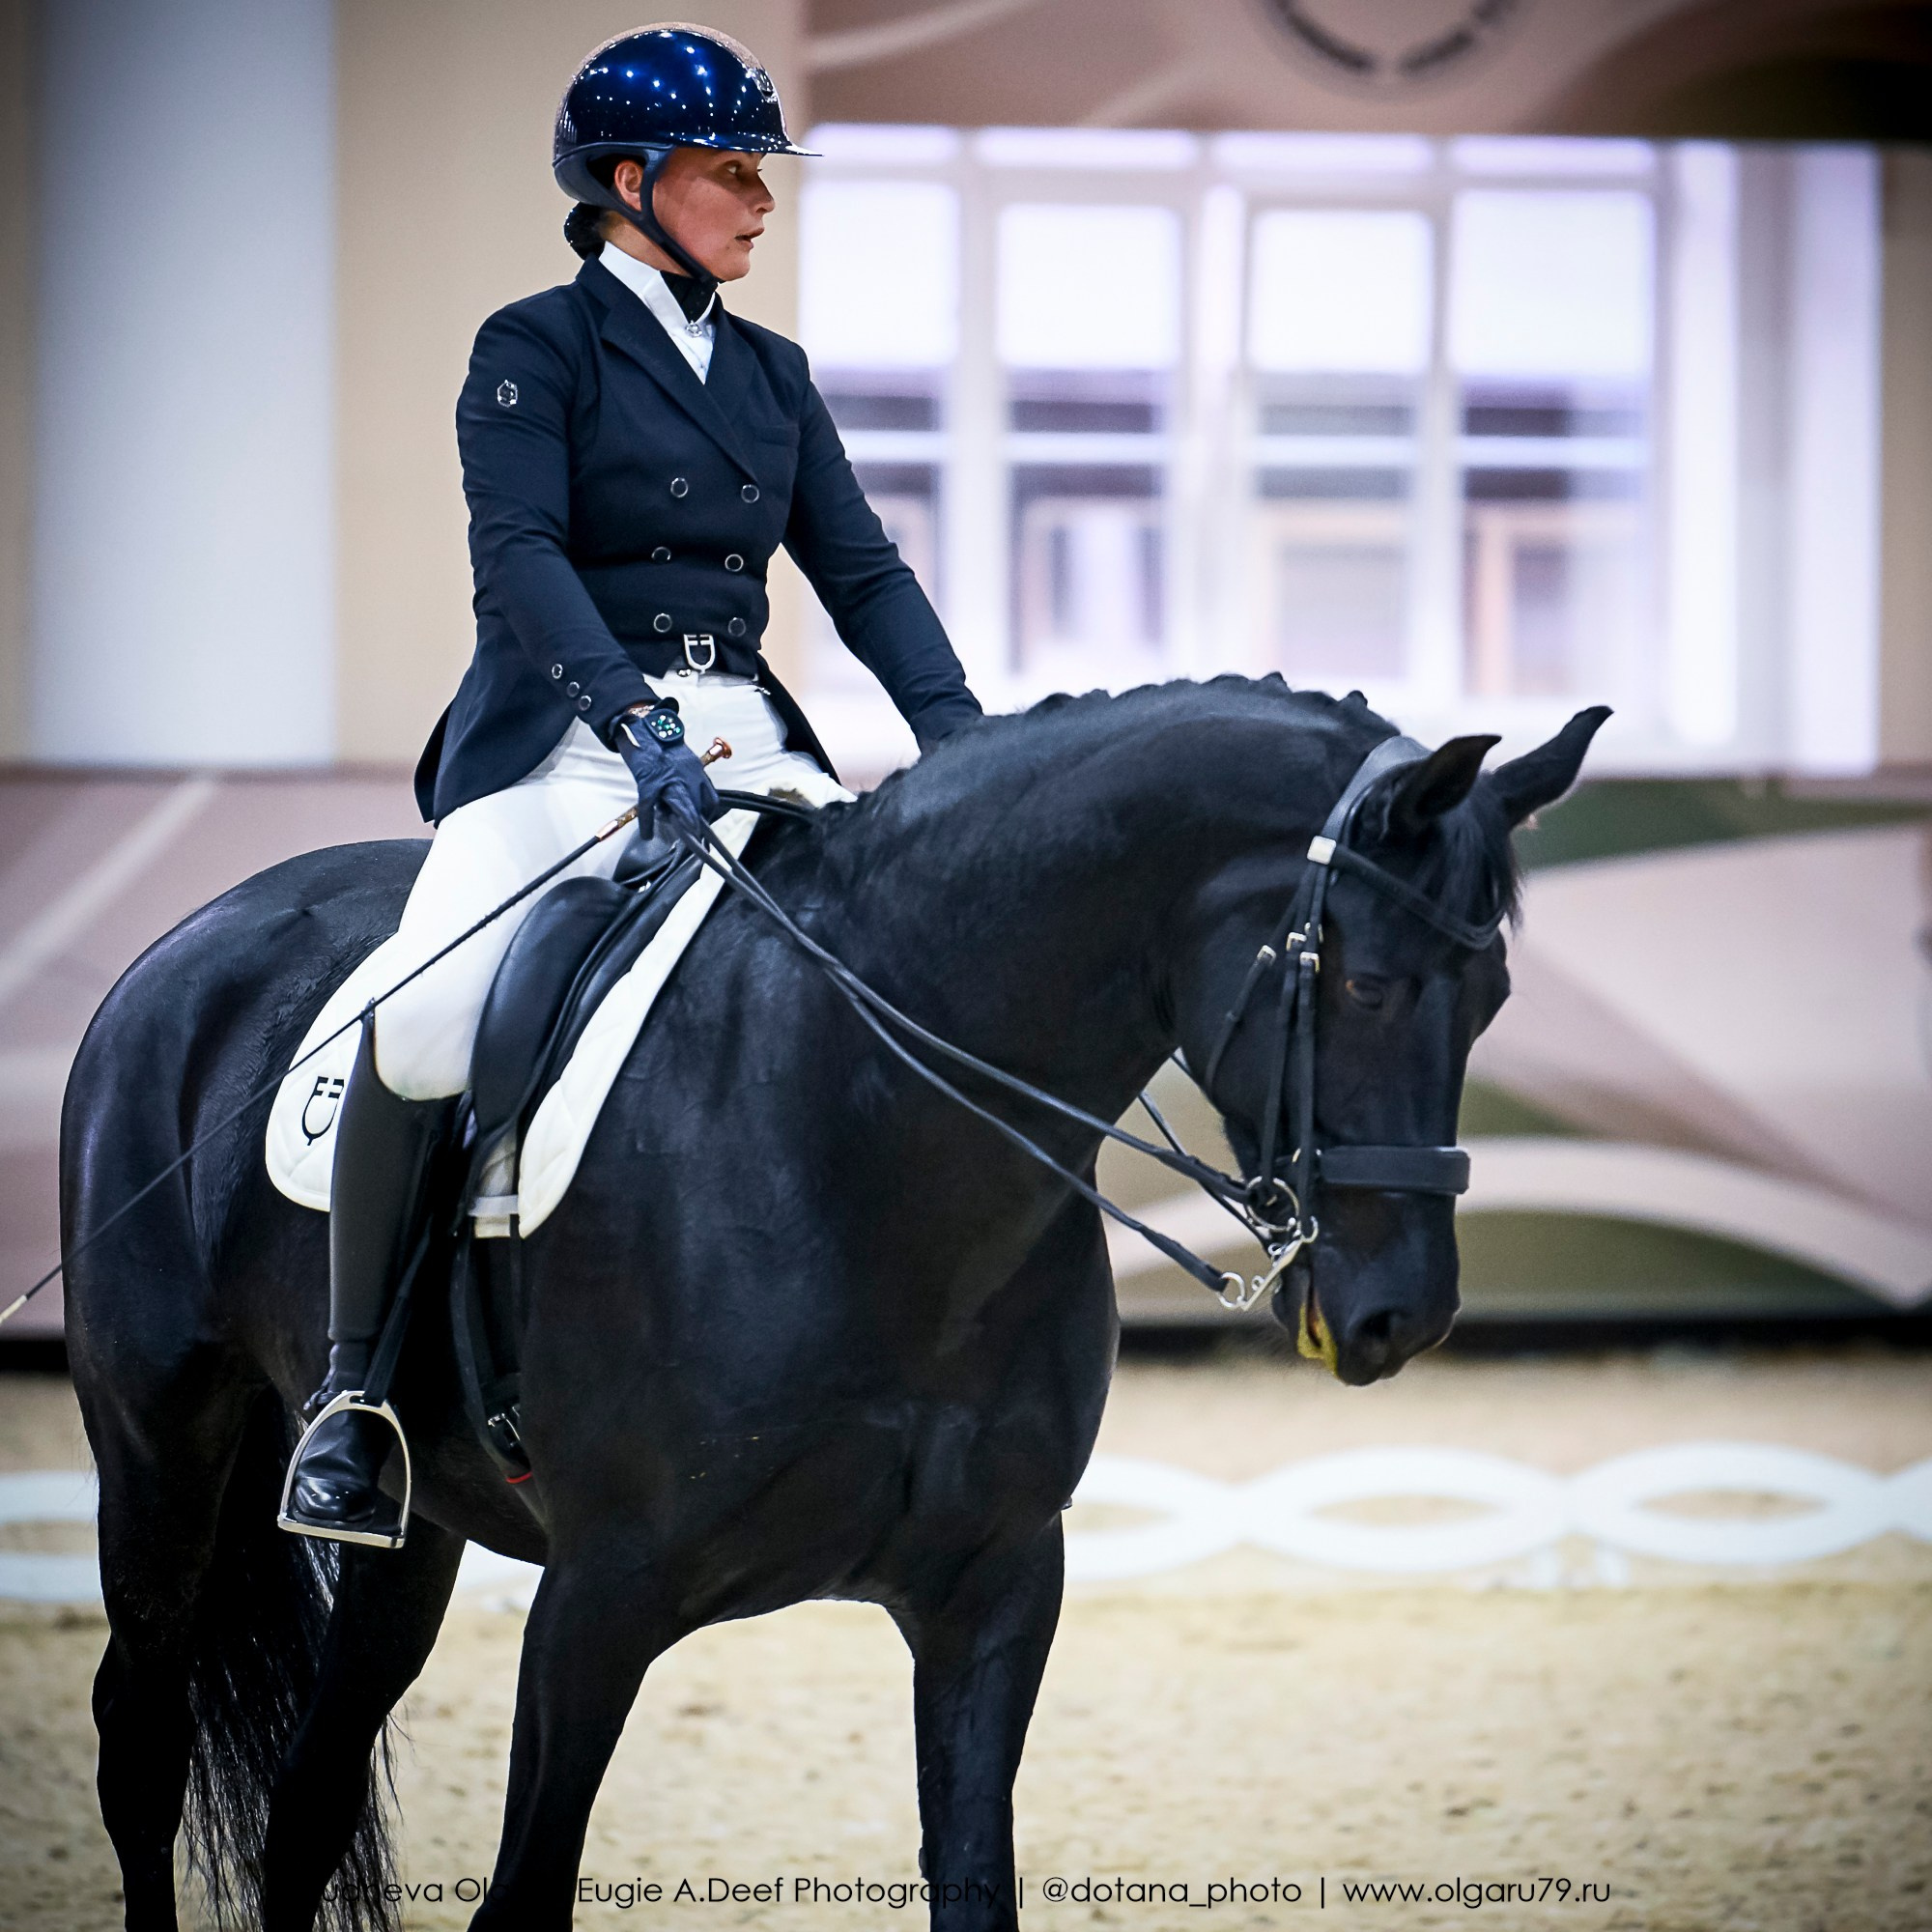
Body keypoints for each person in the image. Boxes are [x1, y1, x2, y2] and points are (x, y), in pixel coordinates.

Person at [281, 22, 981, 1546]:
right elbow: (519, 558)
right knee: (429, 1010)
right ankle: (356, 1400)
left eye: (759, 171)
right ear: (629, 182)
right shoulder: (533, 346)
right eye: (734, 172)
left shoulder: (774, 376)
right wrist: (627, 716)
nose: (760, 200)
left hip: (745, 735)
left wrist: (966, 737)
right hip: (562, 733)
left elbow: (860, 574)